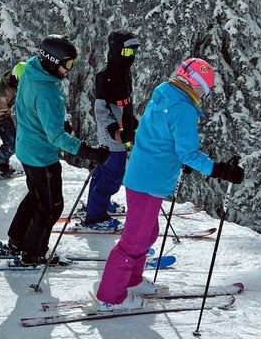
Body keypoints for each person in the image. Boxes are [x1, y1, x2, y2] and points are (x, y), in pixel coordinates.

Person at [92, 58, 245, 311]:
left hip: (143, 177)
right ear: (196, 85)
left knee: (147, 235)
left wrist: (178, 157)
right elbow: (188, 152)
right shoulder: (183, 109)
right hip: (150, 181)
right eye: (204, 90)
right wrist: (220, 170)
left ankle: (132, 281)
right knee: (133, 241)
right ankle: (110, 297)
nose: (203, 96)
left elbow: (158, 135)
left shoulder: (164, 94)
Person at [4, 35, 111, 265]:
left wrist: (56, 122)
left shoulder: (30, 70)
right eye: (67, 64)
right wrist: (88, 151)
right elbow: (56, 137)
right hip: (41, 156)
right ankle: (33, 253)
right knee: (51, 206)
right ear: (52, 61)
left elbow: (31, 110)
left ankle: (17, 239)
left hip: (26, 148)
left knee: (36, 196)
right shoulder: (47, 91)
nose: (69, 70)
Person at [84, 30, 141, 231]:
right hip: (110, 133)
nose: (131, 58)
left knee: (104, 170)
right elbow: (101, 110)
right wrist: (115, 131)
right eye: (127, 53)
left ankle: (97, 203)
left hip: (122, 130)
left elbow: (126, 104)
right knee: (113, 174)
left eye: (134, 53)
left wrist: (131, 121)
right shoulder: (105, 77)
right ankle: (95, 216)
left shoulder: (125, 74)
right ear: (117, 51)